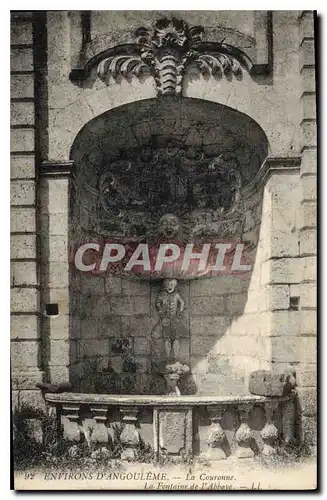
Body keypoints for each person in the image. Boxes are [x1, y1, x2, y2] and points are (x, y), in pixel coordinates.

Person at [155, 278, 185, 362]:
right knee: (166, 338)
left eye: (172, 284)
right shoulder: (162, 294)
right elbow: (157, 303)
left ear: (174, 285)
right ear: (165, 285)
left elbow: (182, 303)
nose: (170, 286)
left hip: (175, 319)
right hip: (165, 320)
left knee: (176, 338)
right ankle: (167, 357)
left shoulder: (176, 294)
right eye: (168, 284)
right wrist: (161, 314)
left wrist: (179, 314)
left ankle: (175, 357)